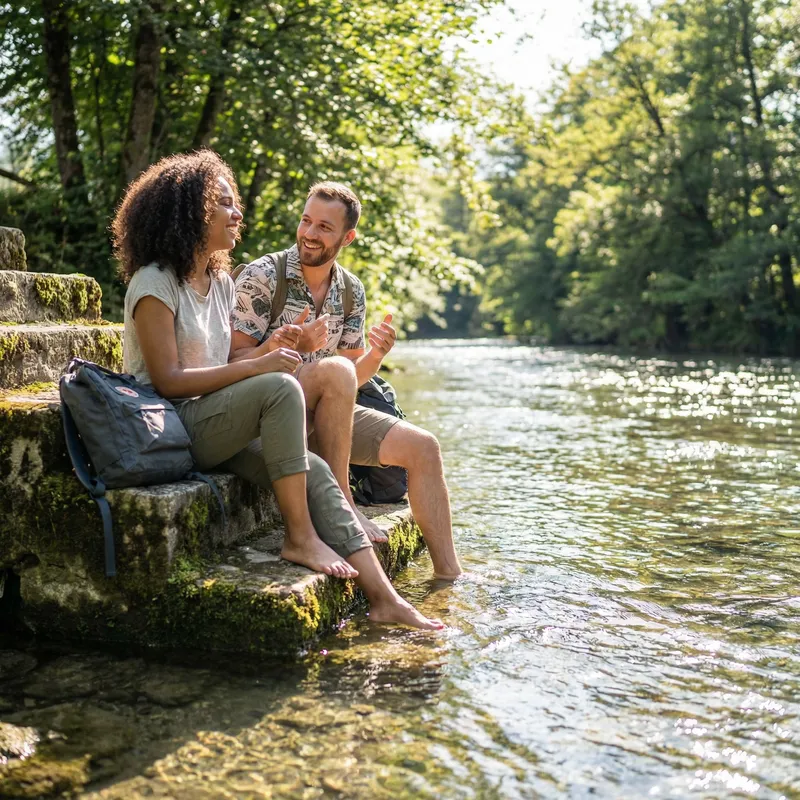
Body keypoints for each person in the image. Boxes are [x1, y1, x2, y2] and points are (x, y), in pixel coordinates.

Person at [113, 151, 444, 630]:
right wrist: (265, 362)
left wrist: (278, 349)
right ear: (190, 212)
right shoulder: (154, 283)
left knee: (317, 471)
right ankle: (299, 537)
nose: (237, 214)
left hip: (220, 421)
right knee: (281, 387)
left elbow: (234, 364)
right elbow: (168, 382)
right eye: (224, 204)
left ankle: (386, 599)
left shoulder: (219, 282)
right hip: (173, 426)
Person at [230, 181, 462, 579]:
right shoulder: (263, 275)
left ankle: (449, 577)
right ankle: (346, 504)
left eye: (324, 227)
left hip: (328, 415)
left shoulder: (350, 290)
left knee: (425, 447)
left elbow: (350, 378)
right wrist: (289, 344)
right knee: (333, 370)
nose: (309, 233)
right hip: (270, 413)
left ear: (347, 237)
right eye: (306, 221)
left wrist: (376, 356)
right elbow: (234, 360)